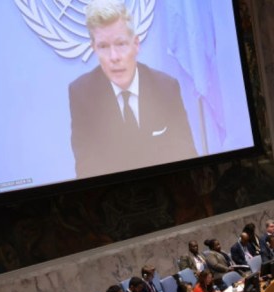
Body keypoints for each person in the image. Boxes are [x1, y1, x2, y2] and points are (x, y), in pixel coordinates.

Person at [69, 0, 195, 179]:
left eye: (120, 44)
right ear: (94, 49)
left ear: (136, 44)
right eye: (103, 46)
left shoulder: (166, 87)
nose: (114, 57)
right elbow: (87, 168)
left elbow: (186, 154)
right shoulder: (81, 94)